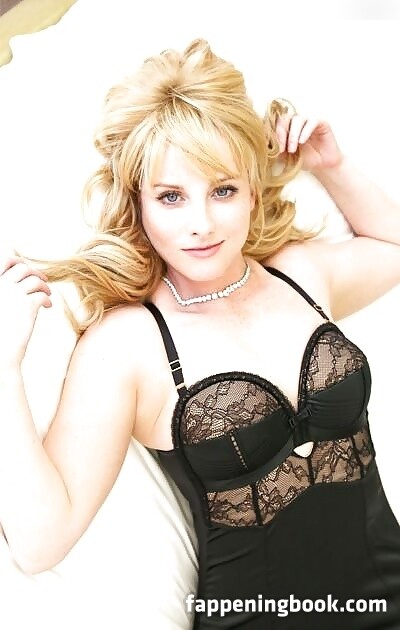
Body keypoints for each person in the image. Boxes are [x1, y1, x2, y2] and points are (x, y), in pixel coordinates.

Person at [0, 37, 399, 629]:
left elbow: (392, 246)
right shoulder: (128, 347)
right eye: (171, 197)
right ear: (138, 205)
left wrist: (331, 167)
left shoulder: (299, 275)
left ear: (253, 189)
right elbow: (40, 542)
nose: (201, 224)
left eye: (222, 190)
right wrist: (3, 367)